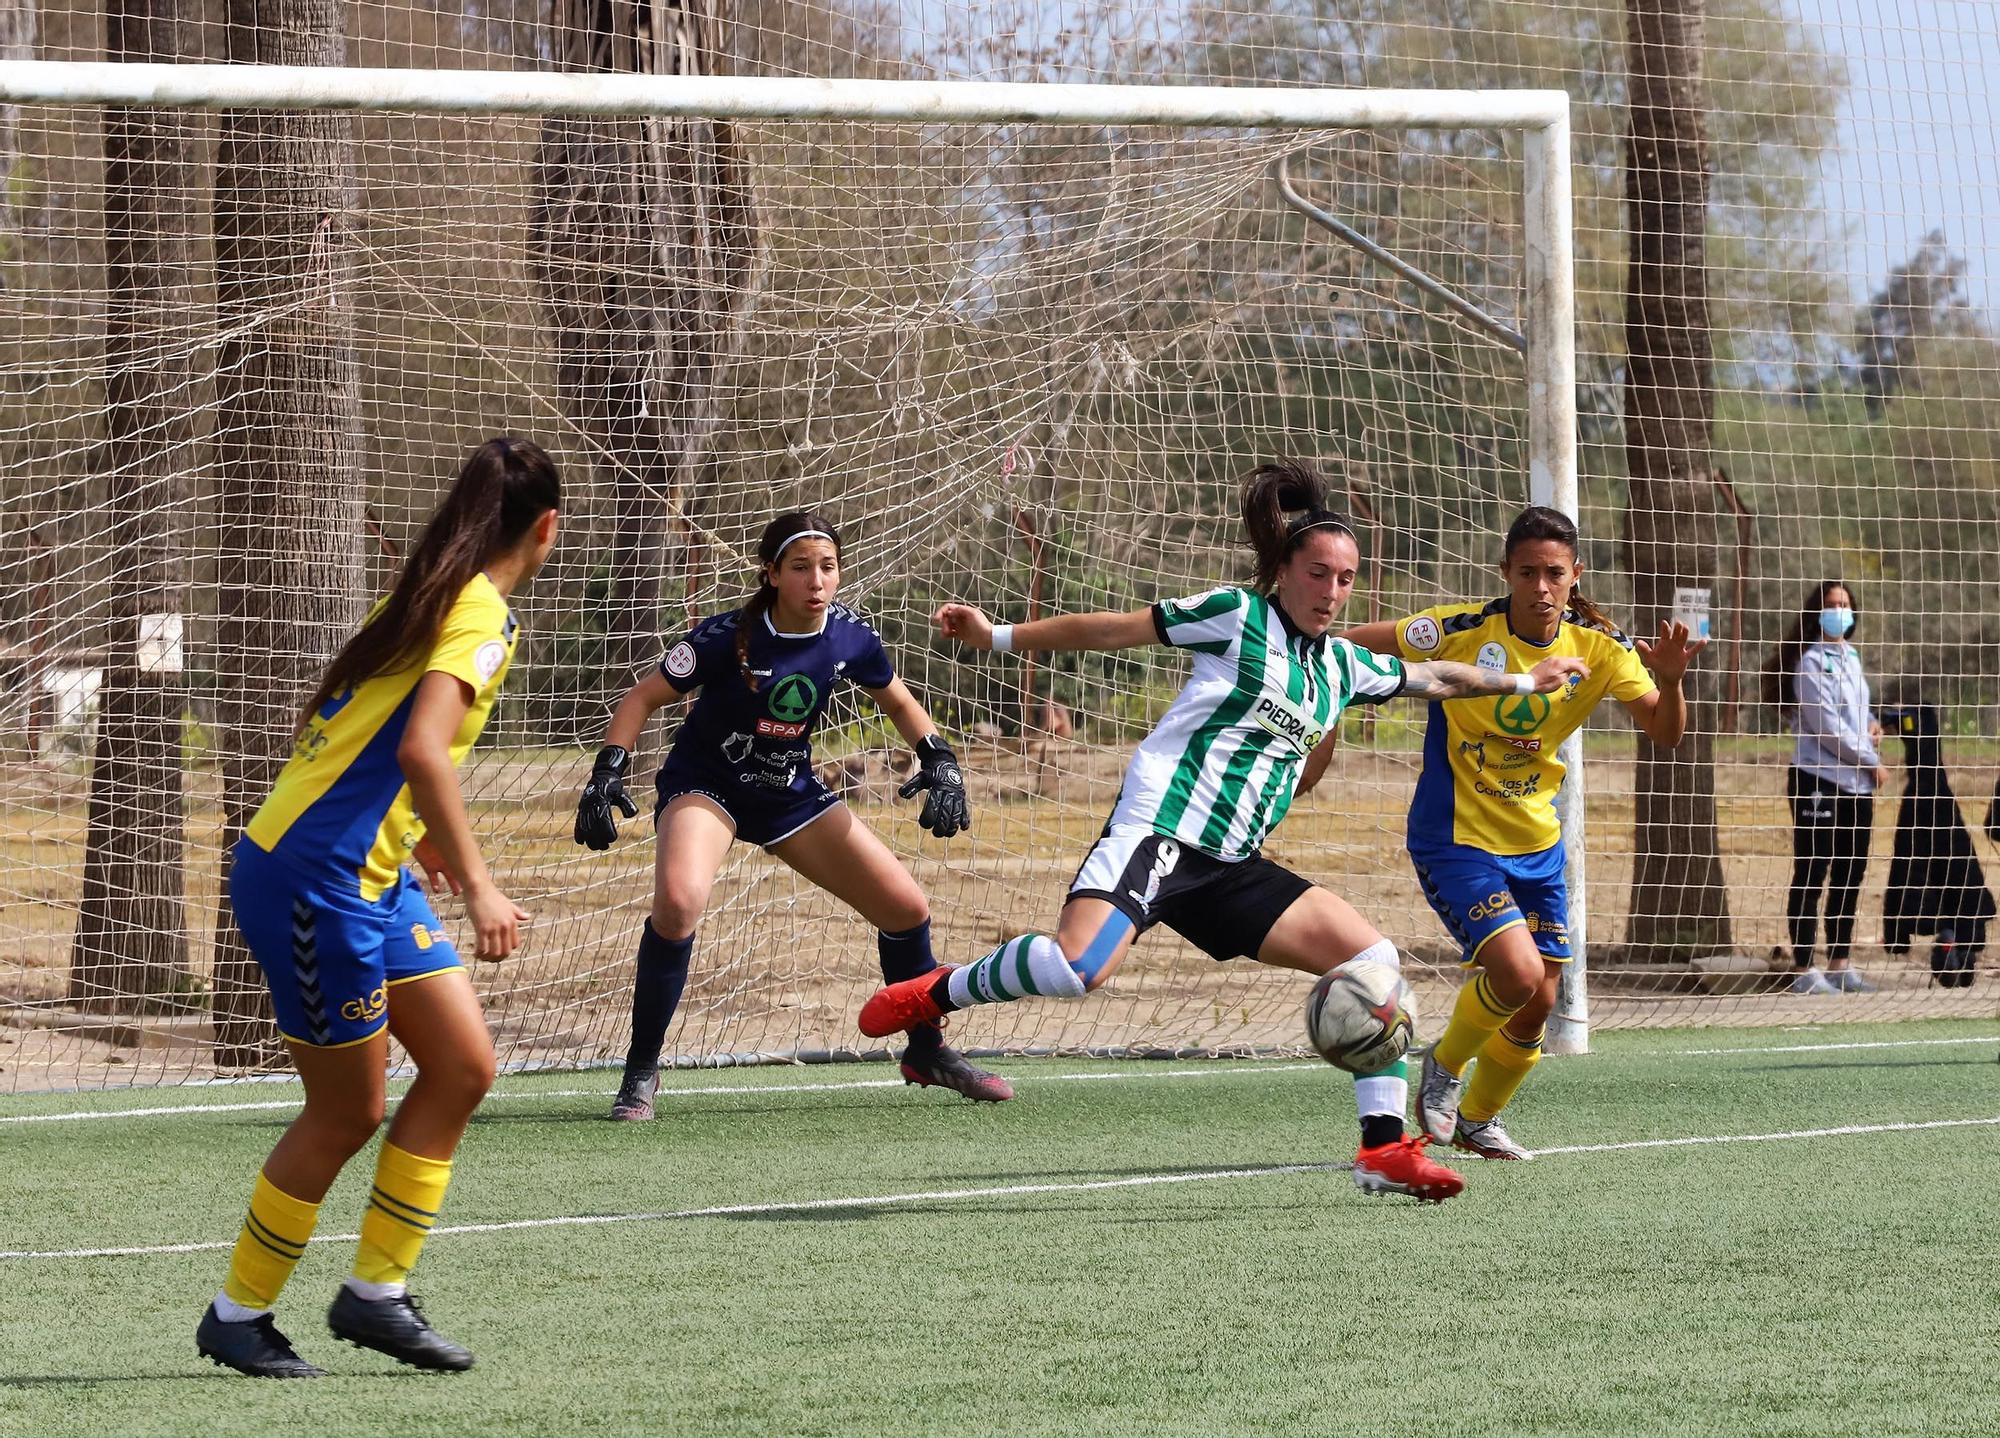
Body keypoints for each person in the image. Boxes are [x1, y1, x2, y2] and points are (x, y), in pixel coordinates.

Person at [856, 462, 1591, 1202]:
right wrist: (998, 636)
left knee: (1373, 962)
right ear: (1286, 571)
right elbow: (1117, 629)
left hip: (1235, 866)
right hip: (1162, 833)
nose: (1332, 593)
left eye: (1345, 579)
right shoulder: (1236, 615)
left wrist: (1528, 681)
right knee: (1081, 968)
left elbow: (1441, 678)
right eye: (1318, 574)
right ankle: (937, 992)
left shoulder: (1343, 666)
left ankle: (1384, 1150)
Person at [196, 437, 561, 1378]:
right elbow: (421, 751)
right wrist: (480, 884)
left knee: (461, 1067)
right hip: (319, 884)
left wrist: (419, 839)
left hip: (366, 872)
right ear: (547, 530)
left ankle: (375, 1296)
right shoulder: (479, 617)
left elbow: (366, 739)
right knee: (346, 1109)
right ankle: (237, 1315)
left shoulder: (432, 598)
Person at [575, 511, 1011, 1120]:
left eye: (827, 567)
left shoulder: (851, 637)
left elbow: (900, 701)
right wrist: (607, 772)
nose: (816, 580)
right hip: (709, 785)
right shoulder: (725, 636)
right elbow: (643, 696)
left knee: (906, 909)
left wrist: (940, 760)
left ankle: (928, 1051)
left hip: (789, 793)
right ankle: (641, 1072)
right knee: (677, 904)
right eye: (801, 567)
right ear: (772, 574)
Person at [1340, 506, 1703, 1161]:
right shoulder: (1458, 628)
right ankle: (1443, 1071)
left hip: (1538, 846)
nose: (1541, 586)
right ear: (1505, 572)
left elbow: (1667, 732)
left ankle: (1479, 1118)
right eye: (1528, 571)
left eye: (1554, 574)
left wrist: (1672, 682)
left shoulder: (1600, 649)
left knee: (1540, 999)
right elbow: (1352, 643)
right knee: (1515, 972)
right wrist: (1325, 695)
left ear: (1574, 577)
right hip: (1456, 837)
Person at [1766, 580, 1887, 995]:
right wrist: (1872, 761)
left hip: (1857, 785)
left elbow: (1856, 712)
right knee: (1813, 870)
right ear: (1817, 612)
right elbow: (1827, 728)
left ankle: (1839, 963)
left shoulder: (1851, 658)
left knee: (1850, 872)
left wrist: (1872, 725)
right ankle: (1804, 968)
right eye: (1832, 604)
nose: (1840, 611)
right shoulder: (1811, 663)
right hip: (1819, 780)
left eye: (1846, 604)